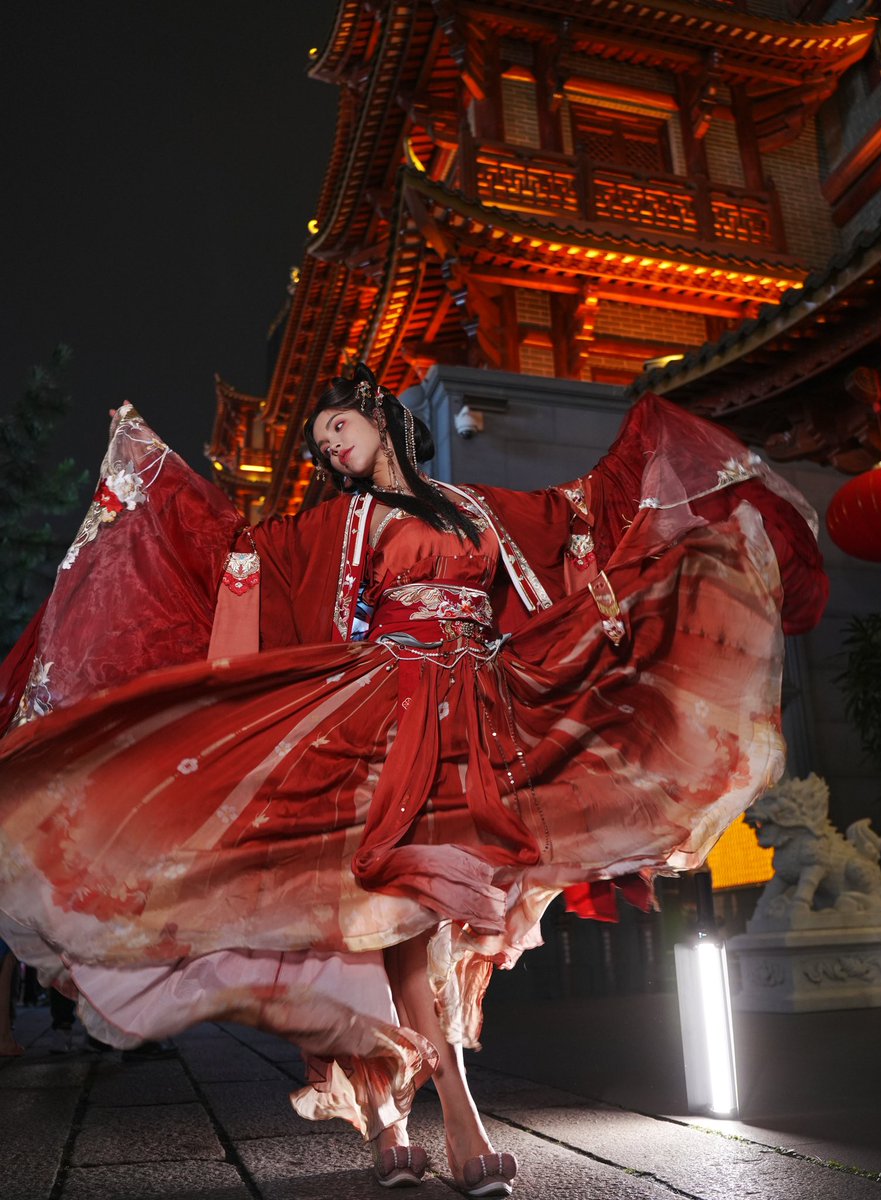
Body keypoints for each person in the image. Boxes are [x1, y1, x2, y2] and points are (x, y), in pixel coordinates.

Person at [0, 364, 827, 1194]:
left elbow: (575, 518)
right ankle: (450, 1117)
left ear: (378, 416)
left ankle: (394, 1110)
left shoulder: (475, 506)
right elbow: (240, 554)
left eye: (336, 427)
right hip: (389, 708)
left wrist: (647, 449)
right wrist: (156, 479)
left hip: (482, 705)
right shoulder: (341, 519)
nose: (329, 447)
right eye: (321, 442)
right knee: (405, 901)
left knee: (427, 910)